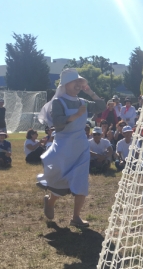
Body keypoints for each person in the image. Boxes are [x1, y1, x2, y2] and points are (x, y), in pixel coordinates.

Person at [37, 68, 108, 228]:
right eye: (74, 81)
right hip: (63, 146)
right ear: (65, 84)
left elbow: (101, 106)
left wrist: (90, 92)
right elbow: (57, 123)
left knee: (81, 180)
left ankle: (76, 217)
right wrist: (76, 115)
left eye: (79, 82)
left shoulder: (83, 101)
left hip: (81, 146)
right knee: (62, 179)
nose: (77, 85)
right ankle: (50, 201)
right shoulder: (58, 102)